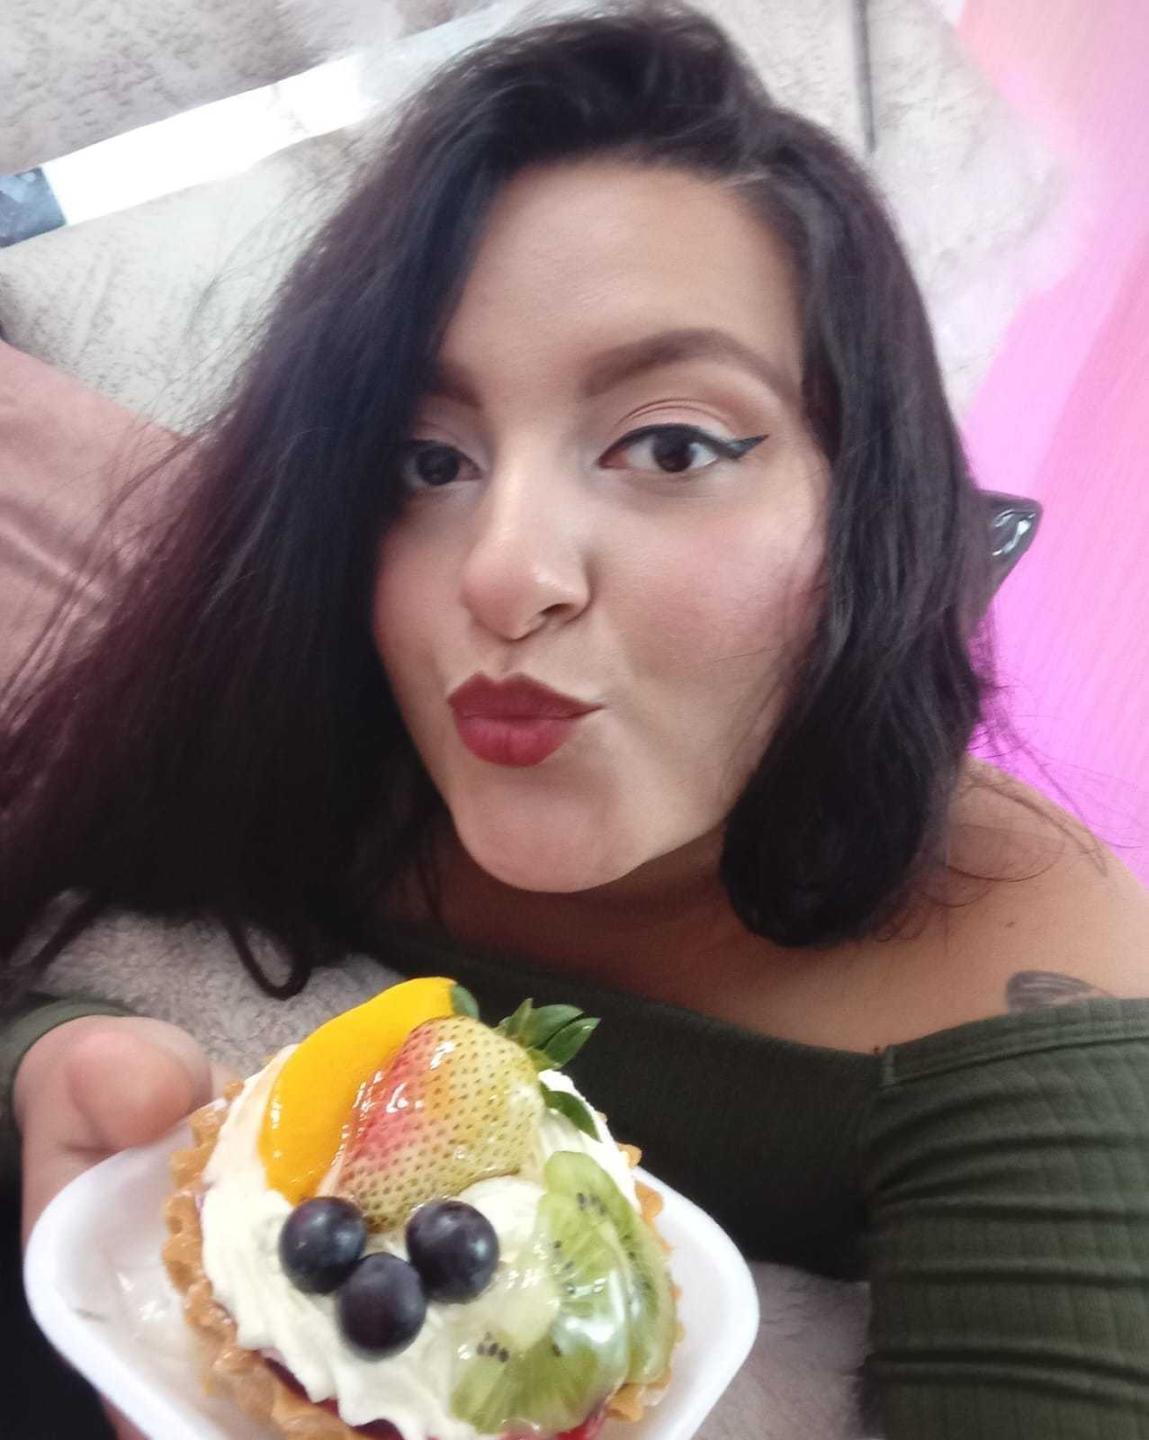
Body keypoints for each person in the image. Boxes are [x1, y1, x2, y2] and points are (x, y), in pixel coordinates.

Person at [4, 2, 1149, 1436]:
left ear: (869, 507)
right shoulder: (309, 699)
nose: (501, 574)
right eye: (427, 461)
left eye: (669, 445)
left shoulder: (1032, 983)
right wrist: (52, 1062)